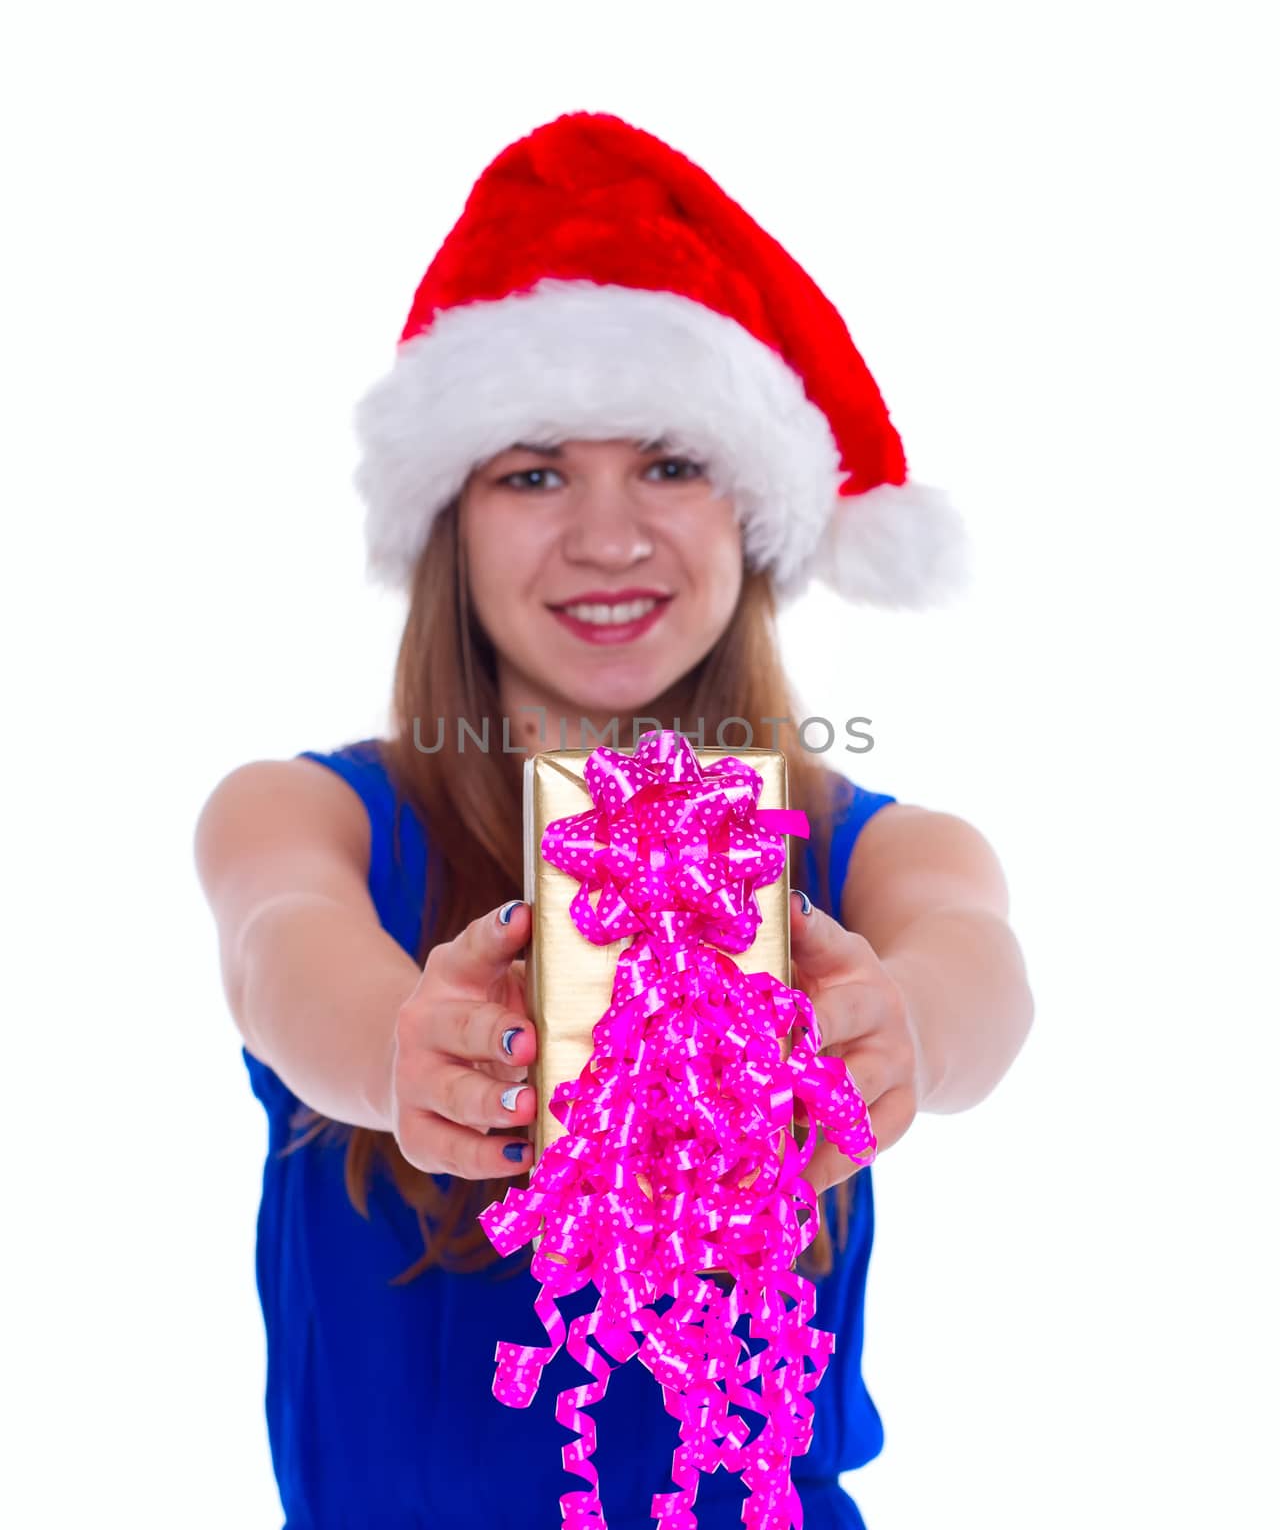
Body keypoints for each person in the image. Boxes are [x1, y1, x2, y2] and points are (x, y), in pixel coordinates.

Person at [194, 111, 1034, 1530]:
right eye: (533, 472)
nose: (605, 538)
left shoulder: (882, 852)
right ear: (450, 518)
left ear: (757, 516)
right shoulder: (308, 815)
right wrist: (398, 1056)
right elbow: (279, 950)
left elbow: (980, 974)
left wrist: (905, 1032)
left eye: (670, 465)